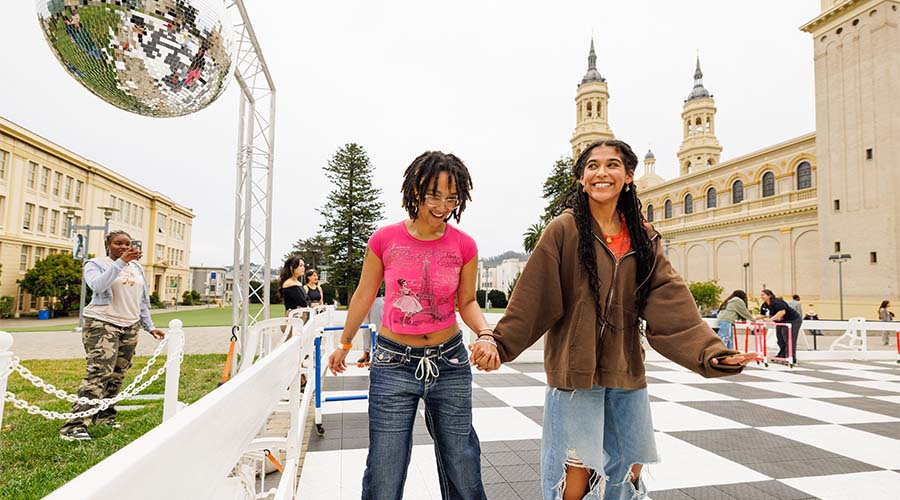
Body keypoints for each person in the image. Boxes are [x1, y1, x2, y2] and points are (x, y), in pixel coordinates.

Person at [469, 139, 757, 500]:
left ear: (629, 176)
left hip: (625, 370)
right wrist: (498, 342)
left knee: (629, 468)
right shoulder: (564, 230)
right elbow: (533, 297)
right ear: (581, 178)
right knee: (577, 473)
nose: (601, 172)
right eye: (592, 166)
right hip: (576, 373)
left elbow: (671, 303)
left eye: (612, 165)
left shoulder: (644, 236)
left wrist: (711, 353)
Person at [327, 151, 490, 500]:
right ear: (416, 190)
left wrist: (486, 334)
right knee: (386, 468)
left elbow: (468, 302)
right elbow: (363, 295)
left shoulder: (464, 245)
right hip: (393, 364)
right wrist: (345, 344)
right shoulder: (385, 239)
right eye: (435, 195)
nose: (443, 205)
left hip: (450, 362)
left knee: (462, 460)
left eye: (452, 197)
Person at [59, 230, 165, 442]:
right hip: (102, 323)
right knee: (99, 372)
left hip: (129, 326)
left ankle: (104, 416)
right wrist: (120, 263)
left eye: (127, 244)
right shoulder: (95, 264)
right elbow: (97, 285)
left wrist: (150, 327)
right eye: (118, 243)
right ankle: (74, 426)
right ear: (108, 244)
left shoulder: (136, 268)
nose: (124, 247)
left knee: (117, 374)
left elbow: (141, 301)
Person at [755, 289, 802, 363]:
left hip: (792, 320)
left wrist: (770, 319)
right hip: (781, 321)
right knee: (780, 338)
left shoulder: (776, 302)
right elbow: (762, 314)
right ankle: (782, 355)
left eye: (763, 295)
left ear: (769, 295)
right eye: (761, 295)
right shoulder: (765, 305)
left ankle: (791, 358)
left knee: (788, 339)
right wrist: (753, 318)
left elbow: (782, 312)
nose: (761, 296)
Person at [358, 285, 385, 366]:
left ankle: (377, 354)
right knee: (365, 330)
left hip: (376, 300)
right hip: (366, 300)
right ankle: (366, 353)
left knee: (376, 329)